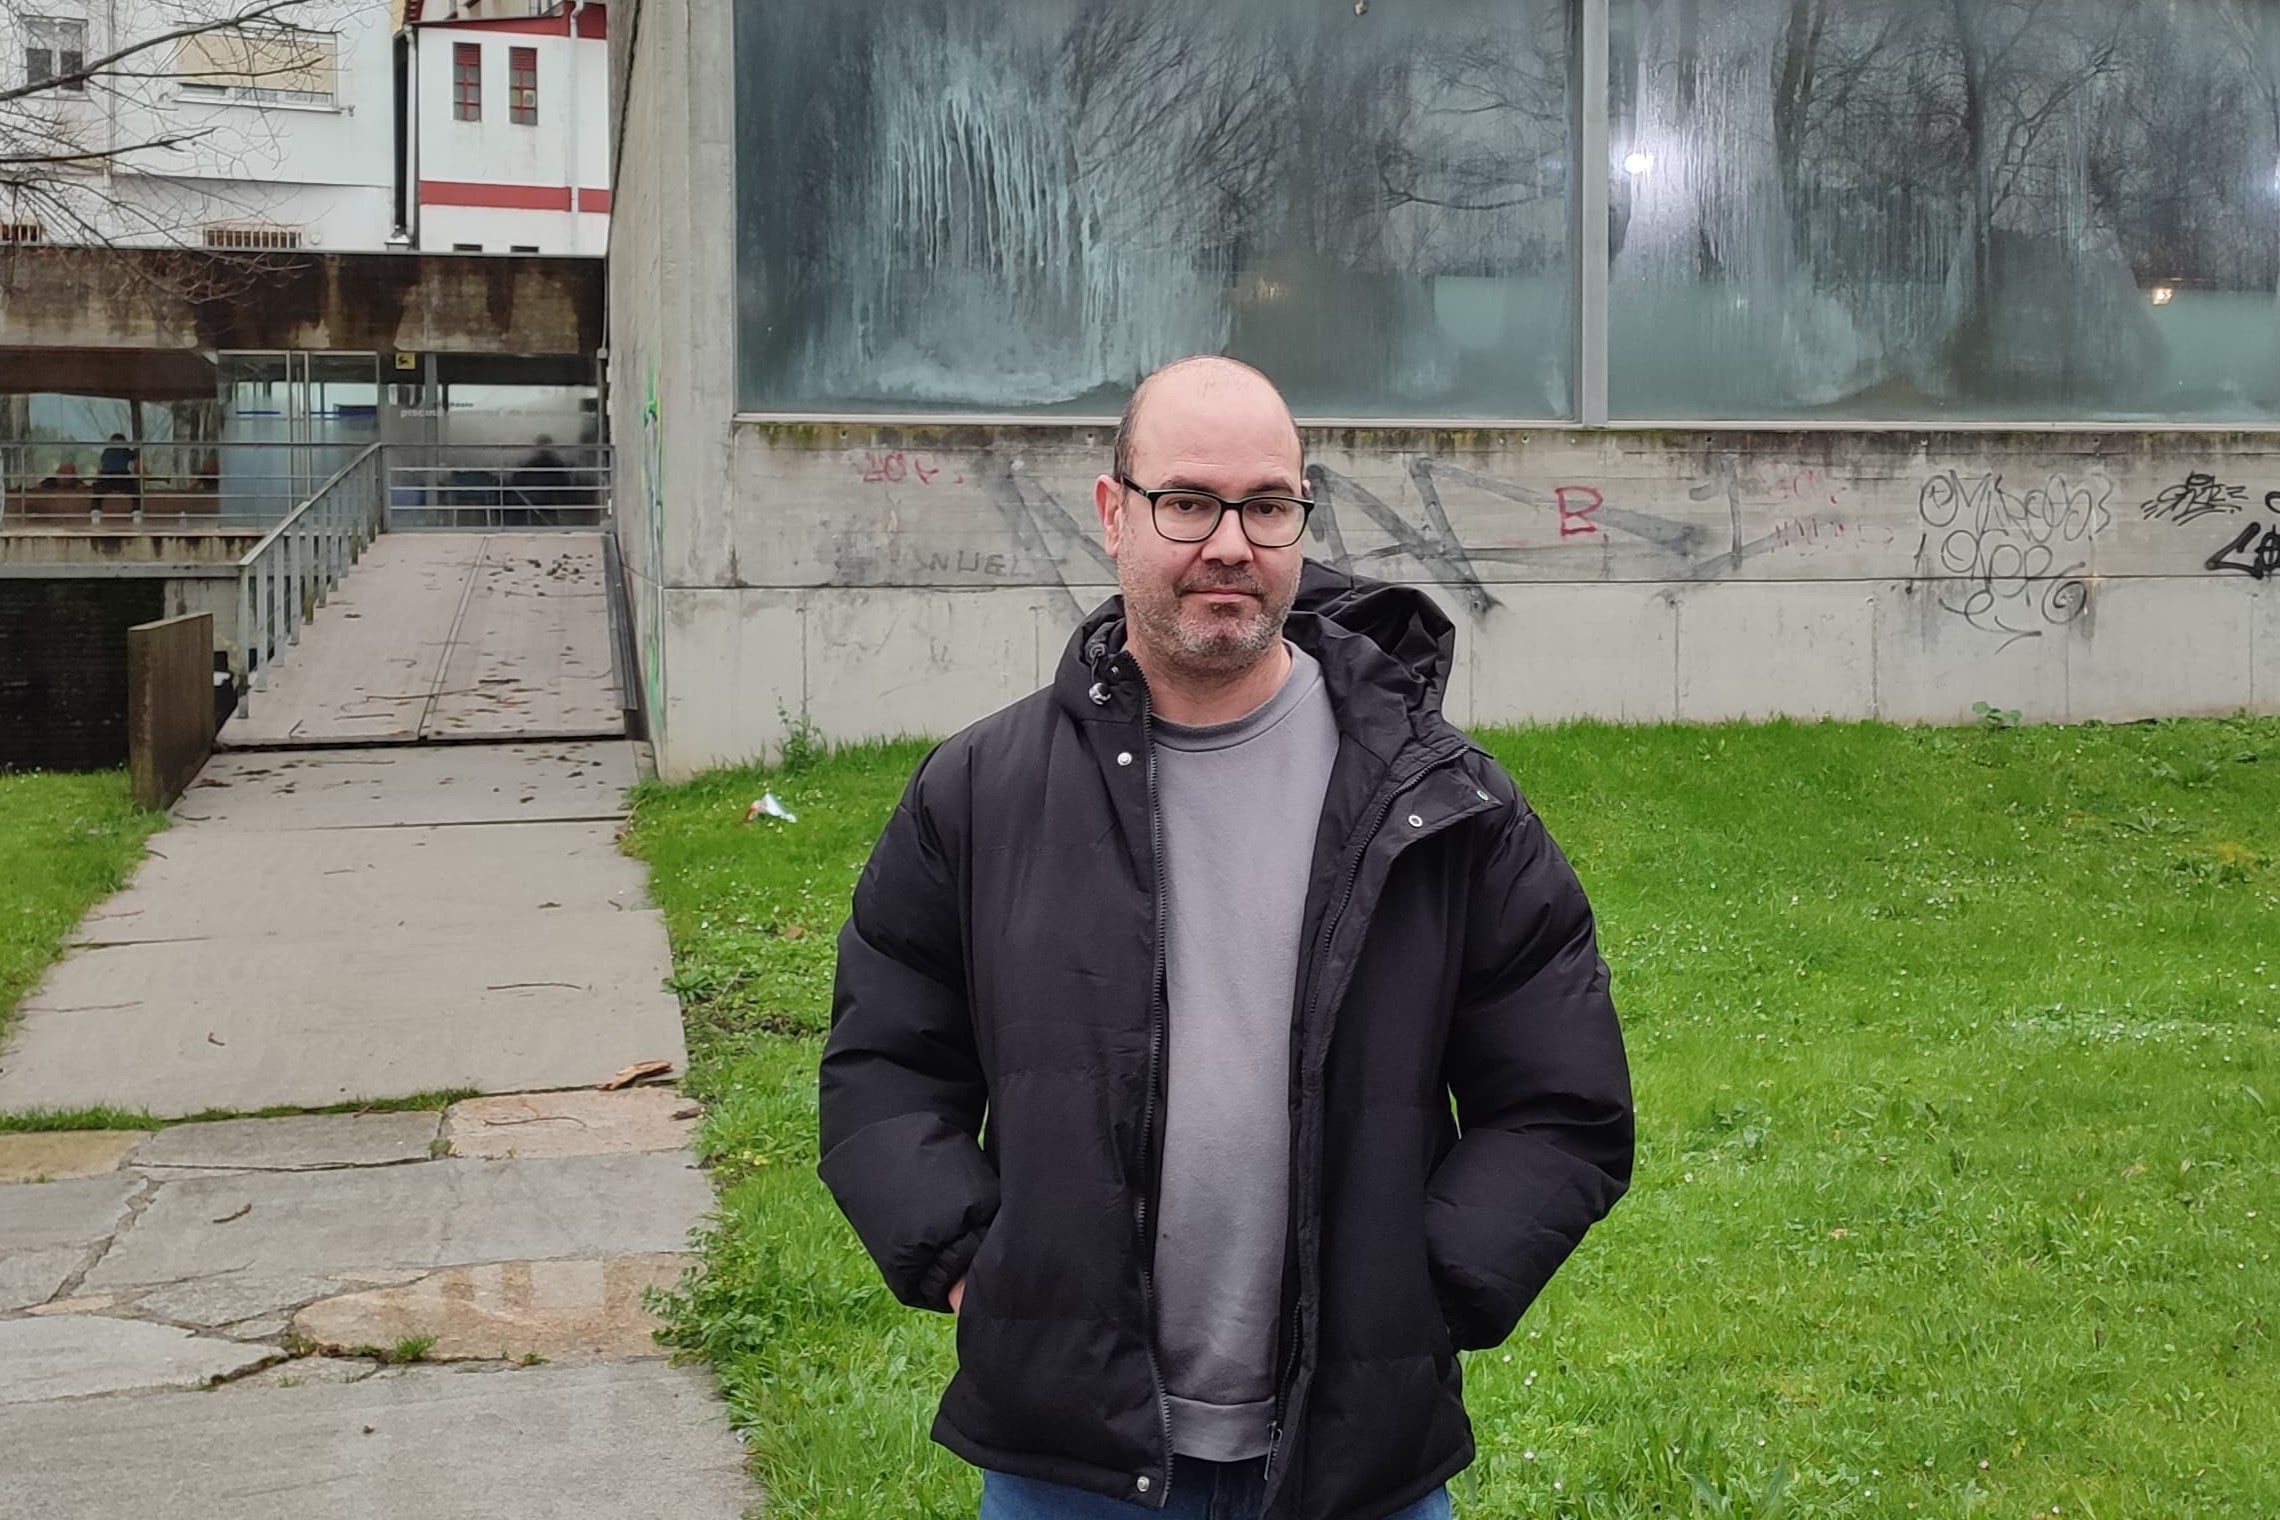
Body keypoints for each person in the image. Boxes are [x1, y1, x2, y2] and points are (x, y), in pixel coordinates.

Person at [818, 356, 1634, 1520]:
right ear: (1113, 512)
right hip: (1072, 1464)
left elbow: (1565, 1101)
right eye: (1188, 501)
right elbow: (884, 1064)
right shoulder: (981, 794)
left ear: (1302, 513)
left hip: (1357, 1462)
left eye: (1267, 504)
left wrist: (1428, 1287)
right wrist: (970, 1257)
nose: (1230, 543)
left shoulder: (1441, 802)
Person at [92, 434, 139, 514]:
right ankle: (137, 510)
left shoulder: (106, 452)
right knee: (135, 490)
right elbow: (137, 464)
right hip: (120, 476)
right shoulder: (127, 451)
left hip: (109, 477)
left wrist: (97, 478)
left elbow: (100, 468)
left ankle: (95, 509)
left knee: (97, 491)